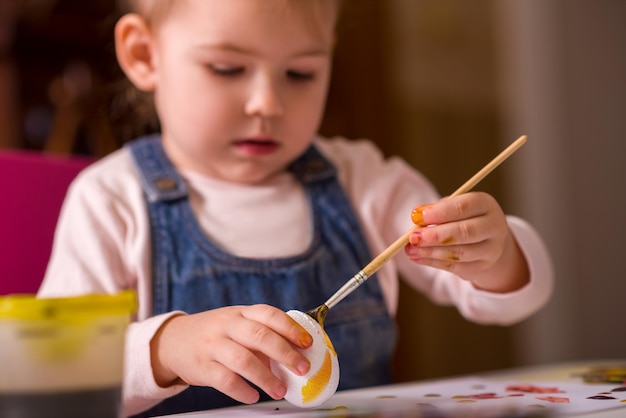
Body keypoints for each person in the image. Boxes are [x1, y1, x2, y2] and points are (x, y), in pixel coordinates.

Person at [38, 0, 554, 417]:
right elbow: (46, 381)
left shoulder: (364, 180)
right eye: (228, 68)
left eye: (301, 73)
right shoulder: (110, 199)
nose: (268, 102)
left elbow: (508, 298)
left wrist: (496, 254)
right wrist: (166, 349)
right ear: (144, 53)